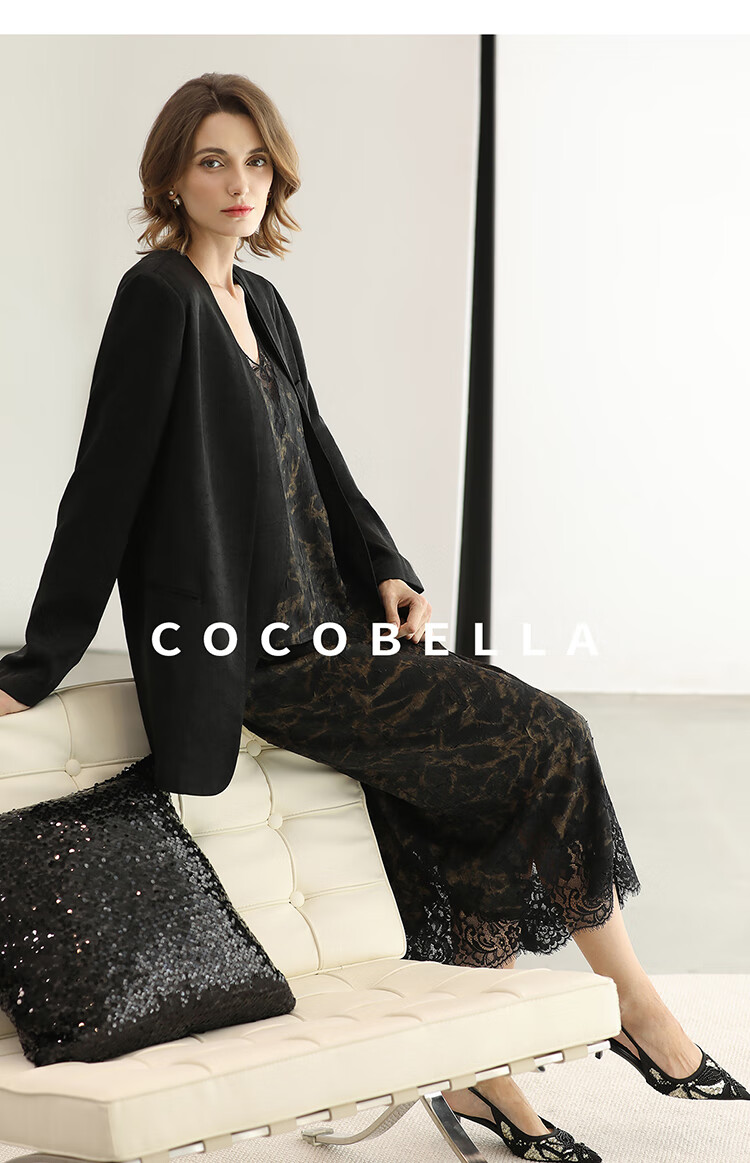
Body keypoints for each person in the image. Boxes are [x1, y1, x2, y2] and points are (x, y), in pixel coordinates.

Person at [0, 72, 746, 1163]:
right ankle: (636, 1005)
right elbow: (103, 488)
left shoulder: (260, 300)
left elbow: (318, 453)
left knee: (479, 790)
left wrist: (385, 565)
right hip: (257, 650)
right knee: (550, 735)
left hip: (333, 619)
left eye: (256, 161)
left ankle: (483, 1071)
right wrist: (33, 663)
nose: (239, 181)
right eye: (212, 160)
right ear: (171, 178)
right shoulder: (156, 298)